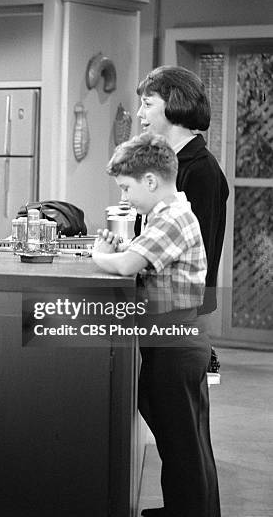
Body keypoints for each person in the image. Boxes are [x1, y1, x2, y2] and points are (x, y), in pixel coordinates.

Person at [92, 132, 221, 517]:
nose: (125, 198)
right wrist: (124, 250)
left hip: (176, 344)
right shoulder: (165, 216)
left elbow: (128, 266)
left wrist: (101, 255)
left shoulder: (172, 219)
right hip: (173, 339)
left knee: (183, 445)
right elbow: (139, 256)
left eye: (127, 188)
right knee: (182, 440)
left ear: (151, 181)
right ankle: (185, 508)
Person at [135, 65, 229, 316]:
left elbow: (199, 252)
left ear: (172, 105)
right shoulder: (167, 163)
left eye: (147, 104)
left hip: (181, 309)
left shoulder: (201, 170)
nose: (138, 113)